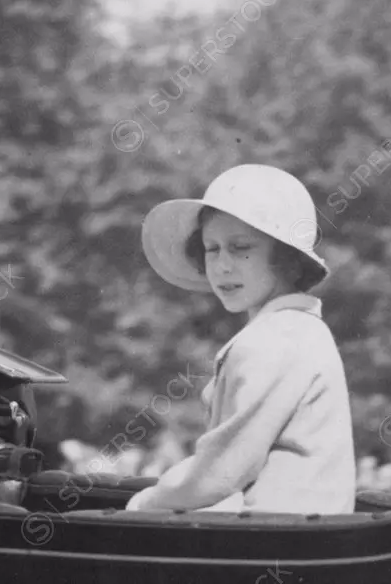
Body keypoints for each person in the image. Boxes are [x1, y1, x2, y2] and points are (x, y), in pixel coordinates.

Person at [125, 164, 355, 514]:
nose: (222, 265)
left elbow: (221, 473)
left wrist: (146, 501)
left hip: (278, 540)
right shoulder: (302, 330)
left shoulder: (274, 341)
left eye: (241, 247)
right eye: (212, 249)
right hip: (300, 534)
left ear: (288, 261)